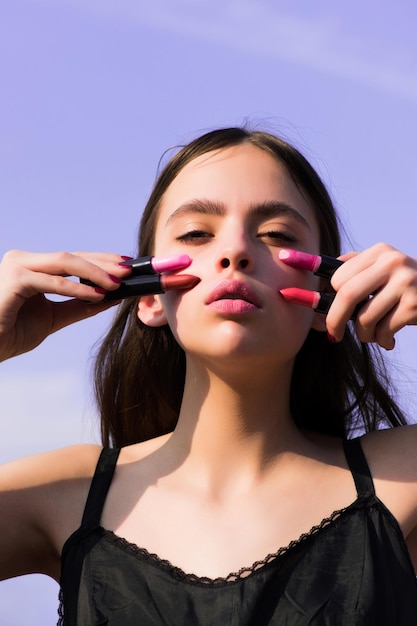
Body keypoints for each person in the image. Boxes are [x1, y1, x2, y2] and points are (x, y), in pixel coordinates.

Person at [1, 126, 417, 625]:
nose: (236, 251)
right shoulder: (67, 490)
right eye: (197, 232)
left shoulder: (401, 480)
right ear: (150, 296)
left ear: (327, 289)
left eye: (278, 235)